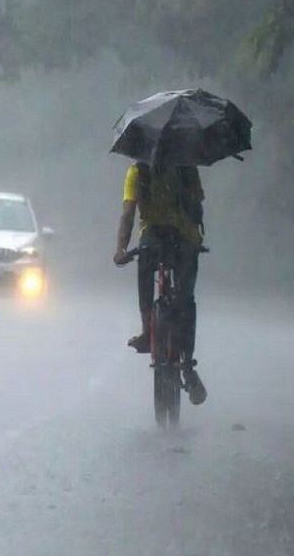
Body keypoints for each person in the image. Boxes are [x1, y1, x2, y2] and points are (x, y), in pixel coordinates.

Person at [113, 162, 207, 405]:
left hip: (157, 236)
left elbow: (128, 213)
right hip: (183, 236)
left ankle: (149, 331)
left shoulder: (138, 170)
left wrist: (121, 249)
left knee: (146, 268)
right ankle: (186, 361)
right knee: (186, 297)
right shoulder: (186, 166)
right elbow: (198, 205)